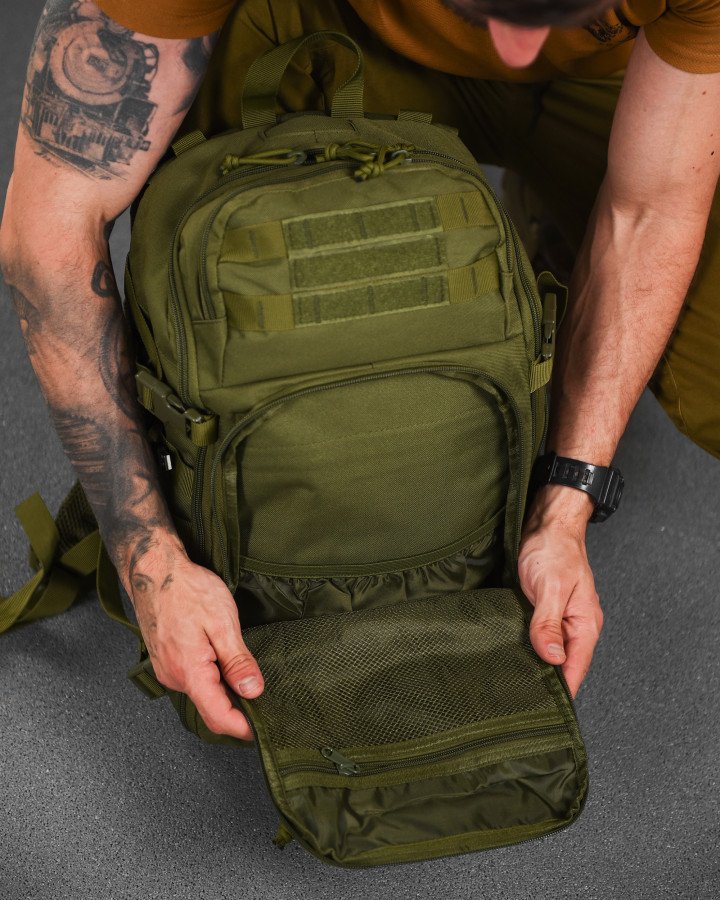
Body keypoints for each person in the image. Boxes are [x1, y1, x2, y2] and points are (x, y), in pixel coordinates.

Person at [2, 0, 719, 741]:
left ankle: (546, 230)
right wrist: (148, 559)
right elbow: (49, 228)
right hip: (341, 31)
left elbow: (651, 208)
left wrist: (564, 507)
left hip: (619, 78)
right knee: (251, 295)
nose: (517, 46)